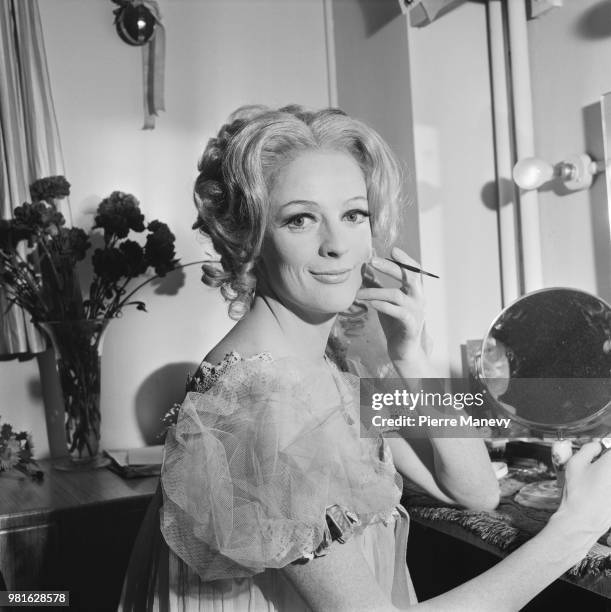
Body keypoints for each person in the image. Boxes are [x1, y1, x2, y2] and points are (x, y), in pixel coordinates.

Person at [119, 105, 611, 611]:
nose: (337, 245)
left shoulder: (328, 371)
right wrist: (573, 532)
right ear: (249, 238)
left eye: (354, 215)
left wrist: (411, 357)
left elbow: (475, 490)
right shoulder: (264, 405)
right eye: (300, 219)